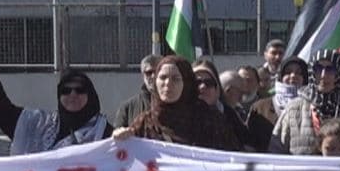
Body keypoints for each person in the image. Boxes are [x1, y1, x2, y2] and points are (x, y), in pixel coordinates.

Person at [0, 45, 110, 154]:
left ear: (90, 95)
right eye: (66, 91)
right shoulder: (38, 124)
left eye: (80, 90)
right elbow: (1, 110)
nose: (72, 95)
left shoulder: (103, 133)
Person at [112, 55, 242, 149]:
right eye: (162, 77)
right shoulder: (145, 122)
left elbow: (231, 158)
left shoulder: (210, 120)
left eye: (175, 79)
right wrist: (121, 136)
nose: (167, 84)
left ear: (187, 83)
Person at [269, 53, 340, 156]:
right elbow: (276, 151)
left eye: (330, 69)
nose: (324, 75)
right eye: (318, 69)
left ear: (338, 72)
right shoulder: (294, 109)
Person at [224, 68, 275, 151]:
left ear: (258, 84)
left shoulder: (264, 108)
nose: (244, 86)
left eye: (248, 80)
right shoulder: (224, 111)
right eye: (241, 80)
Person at [112, 54, 159, 128]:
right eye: (149, 73)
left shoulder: (178, 105)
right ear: (143, 75)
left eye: (158, 71)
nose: (153, 76)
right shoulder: (127, 108)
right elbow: (117, 135)